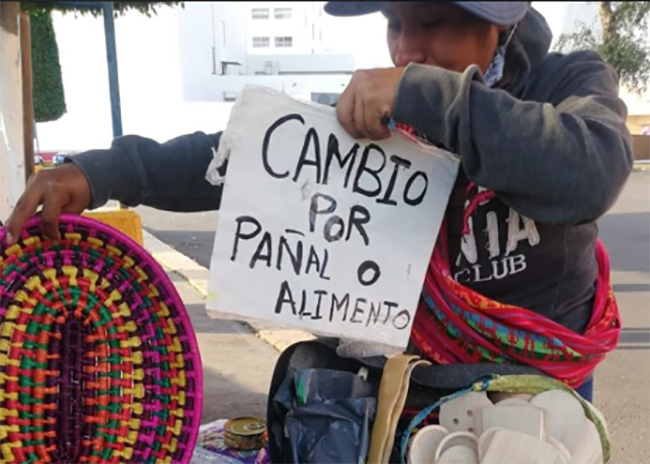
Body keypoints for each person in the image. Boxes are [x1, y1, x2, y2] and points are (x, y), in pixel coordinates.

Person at [5, 2, 632, 400]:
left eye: (433, 23)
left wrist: (427, 96)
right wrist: (104, 170)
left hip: (538, 401)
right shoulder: (382, 107)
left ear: (498, 21)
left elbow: (592, 169)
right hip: (412, 395)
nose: (406, 50)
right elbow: (255, 154)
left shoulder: (568, 82)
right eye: (394, 24)